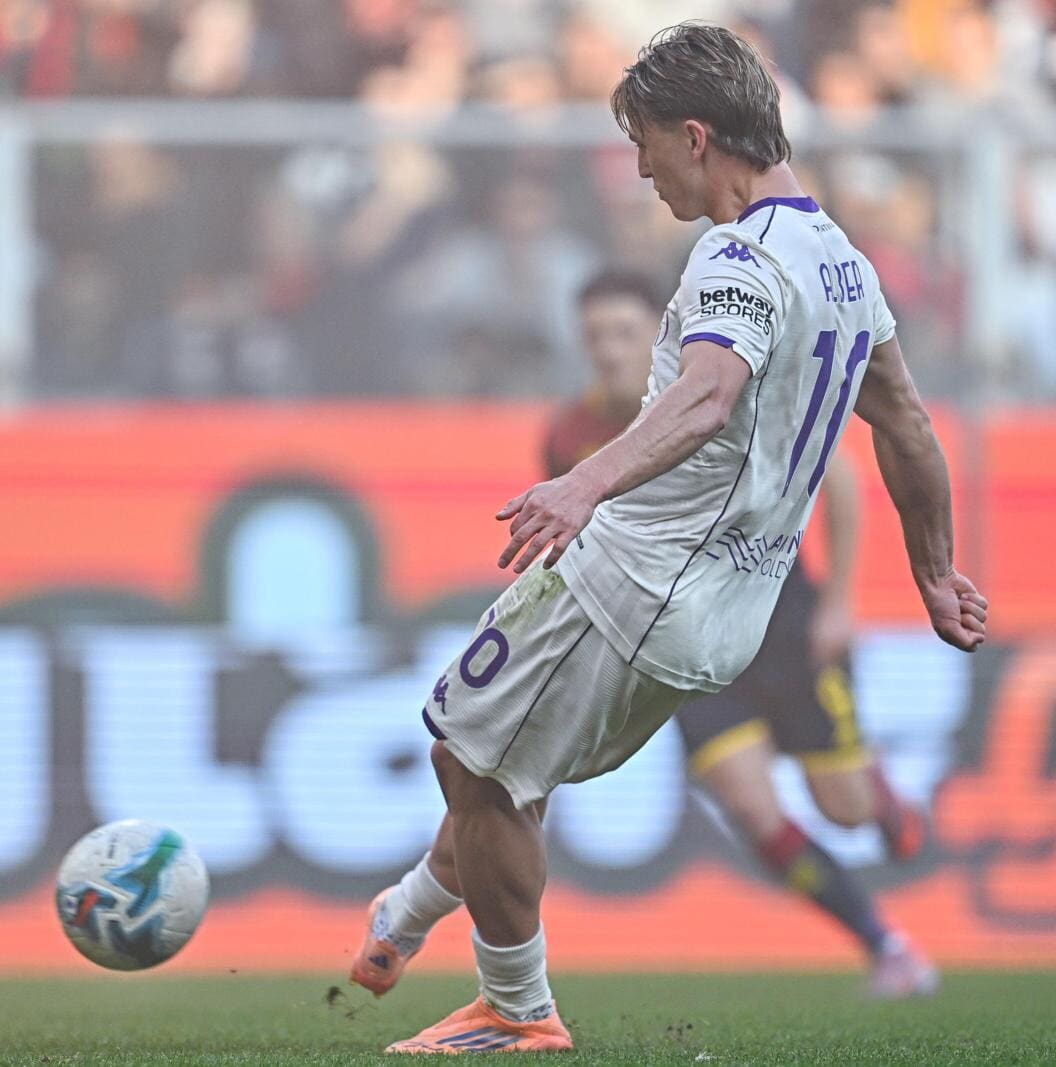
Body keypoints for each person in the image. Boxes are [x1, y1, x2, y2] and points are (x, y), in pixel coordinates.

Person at [347, 23, 988, 1055]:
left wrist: (581, 482)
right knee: (499, 767)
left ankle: (514, 1006)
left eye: (644, 144)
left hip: (637, 579)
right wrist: (936, 571)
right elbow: (906, 423)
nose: (641, 170)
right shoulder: (843, 264)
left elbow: (706, 393)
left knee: (474, 764)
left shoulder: (739, 256)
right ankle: (411, 915)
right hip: (728, 615)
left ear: (696, 136)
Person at [541, 269, 937, 1000]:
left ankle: (877, 793)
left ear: (658, 333)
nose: (609, 351)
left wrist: (839, 600)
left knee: (843, 807)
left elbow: (838, 478)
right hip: (683, 647)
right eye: (595, 336)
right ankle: (886, 946)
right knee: (754, 812)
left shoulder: (720, 392)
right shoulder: (571, 436)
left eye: (624, 333)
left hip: (781, 622)